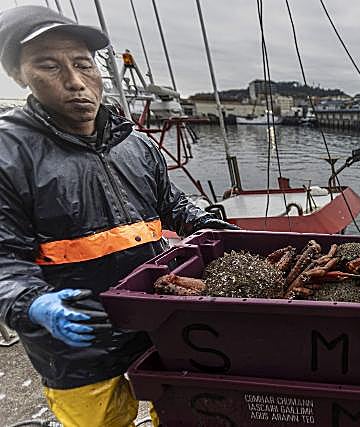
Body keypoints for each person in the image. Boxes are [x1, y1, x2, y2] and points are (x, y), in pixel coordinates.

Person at [0, 6, 238, 426]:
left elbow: (171, 205)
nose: (75, 82)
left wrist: (203, 222)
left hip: (157, 323)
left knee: (180, 414)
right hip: (78, 344)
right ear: (19, 75)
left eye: (83, 64)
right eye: (49, 65)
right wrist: (31, 303)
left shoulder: (135, 144)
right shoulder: (9, 154)